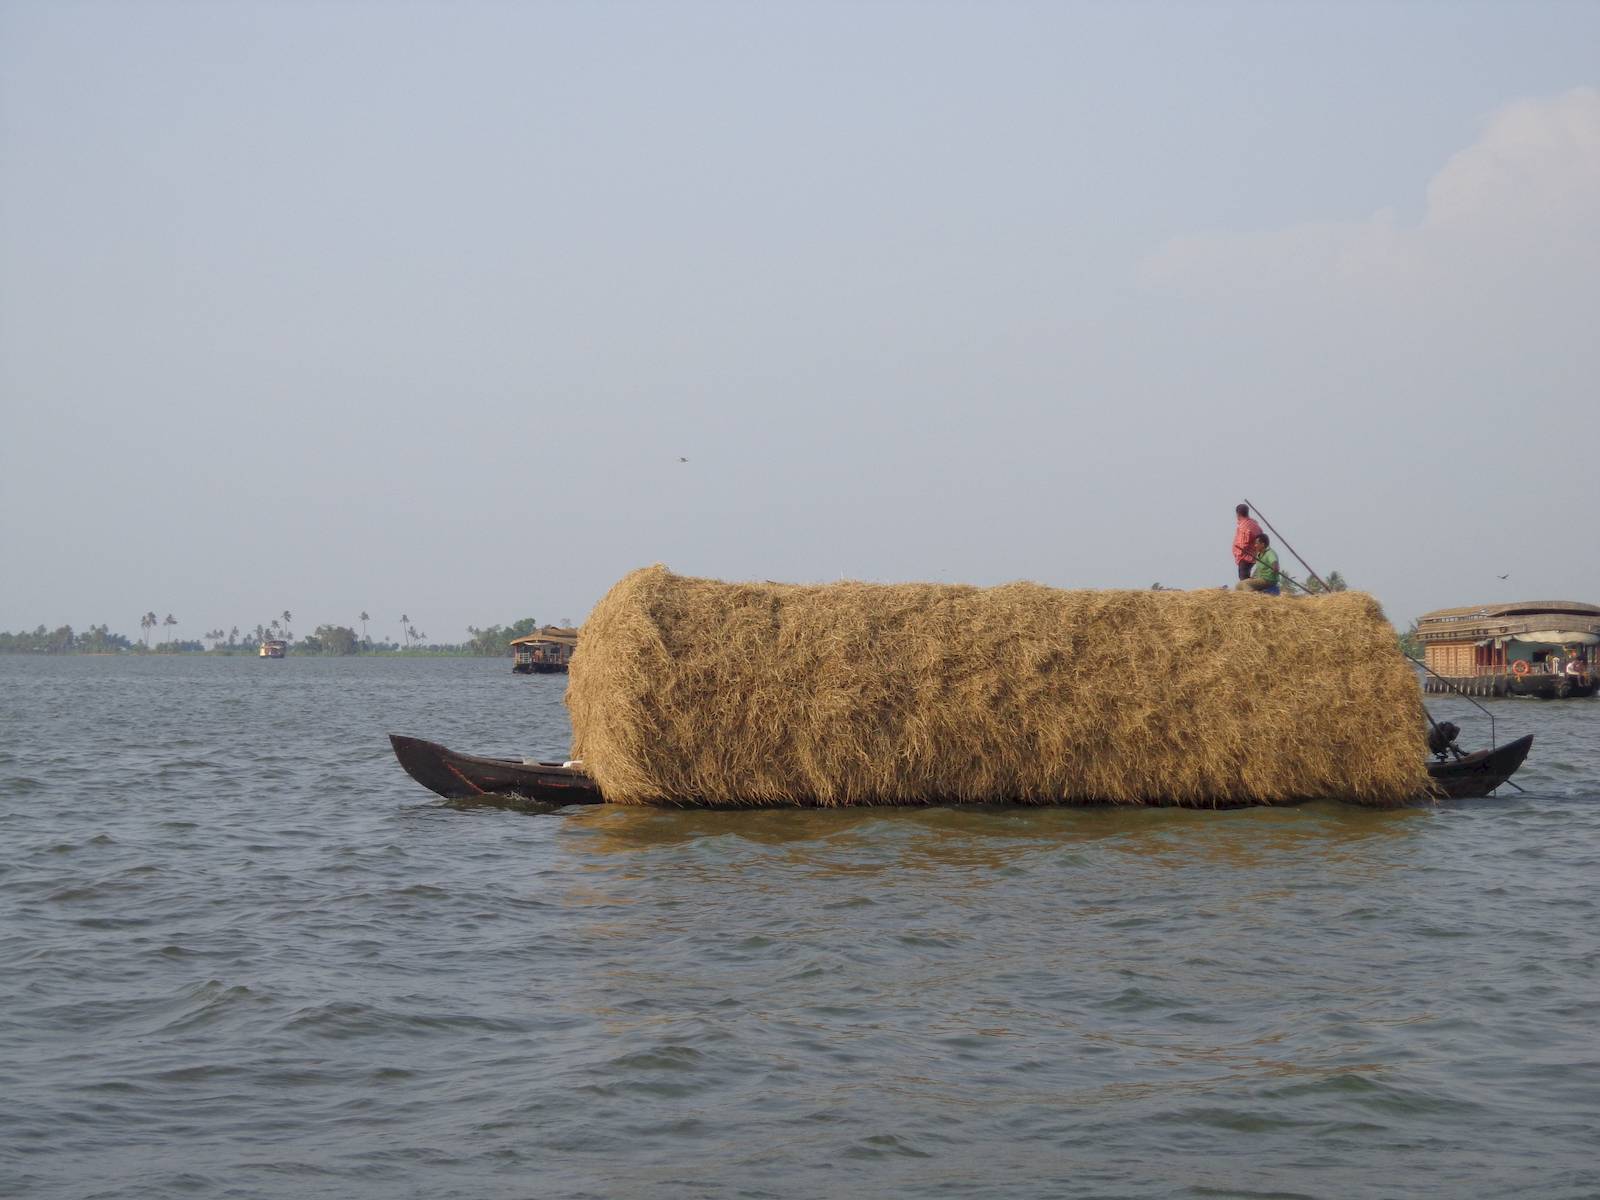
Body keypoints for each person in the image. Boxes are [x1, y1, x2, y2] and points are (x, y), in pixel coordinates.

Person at [1233, 504, 1263, 581]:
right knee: (1245, 577)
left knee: (1244, 579)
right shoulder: (1254, 524)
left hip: (1245, 557)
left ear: (1238, 514)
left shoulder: (1244, 526)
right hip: (1253, 555)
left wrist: (1239, 553)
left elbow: (1244, 543)